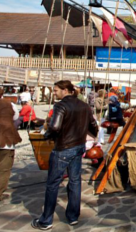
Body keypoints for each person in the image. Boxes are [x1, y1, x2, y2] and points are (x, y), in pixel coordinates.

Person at [32, 80, 98, 230]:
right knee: (75, 181)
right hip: (78, 146)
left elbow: (55, 126)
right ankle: (73, 216)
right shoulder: (84, 106)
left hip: (63, 147)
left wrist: (47, 135)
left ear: (66, 90)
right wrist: (91, 137)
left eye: (56, 90)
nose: (54, 93)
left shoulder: (61, 105)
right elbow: (93, 125)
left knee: (52, 184)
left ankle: (46, 220)